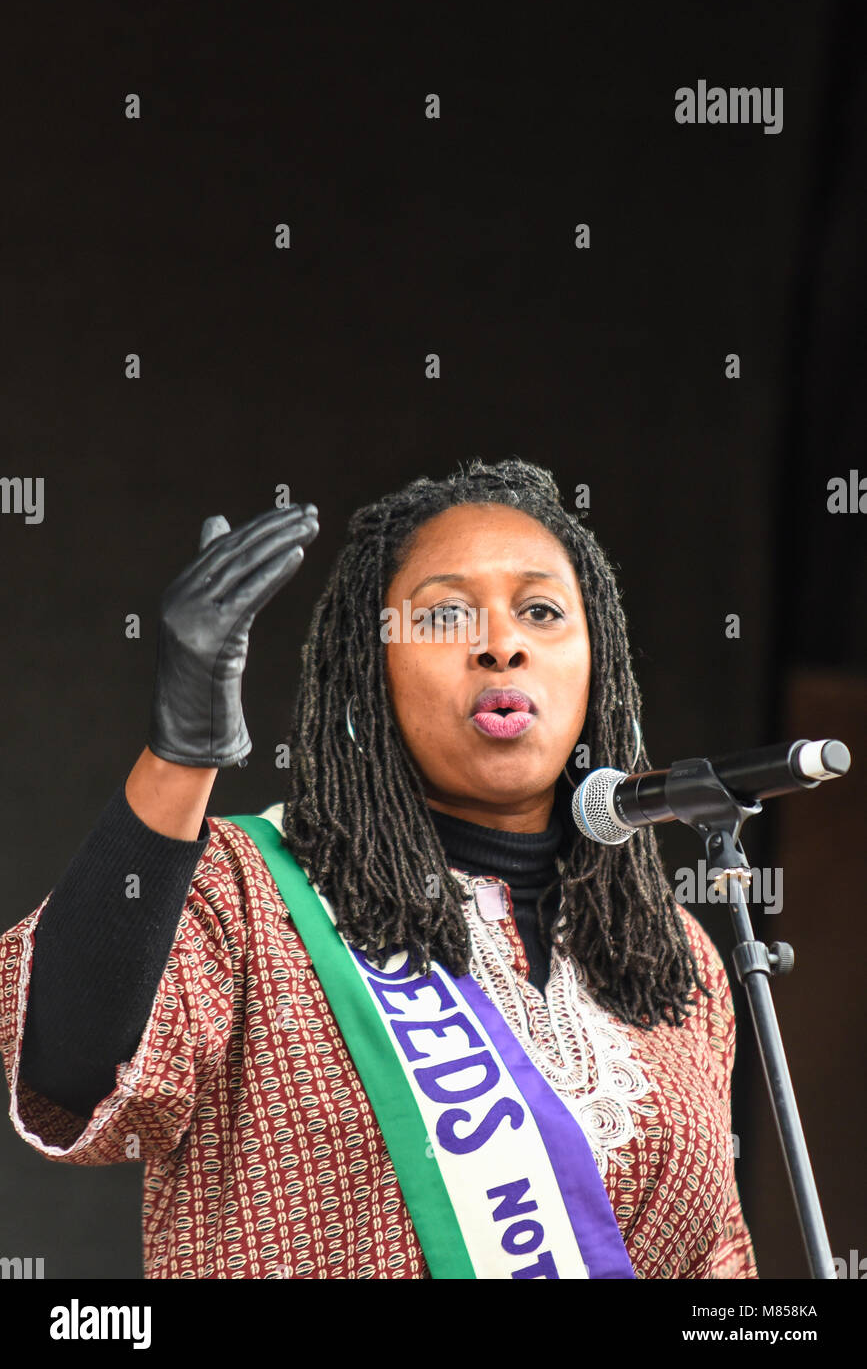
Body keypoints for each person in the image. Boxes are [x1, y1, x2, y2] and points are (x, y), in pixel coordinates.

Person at [0, 457, 757, 1279]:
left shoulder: (669, 956)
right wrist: (182, 753)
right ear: (370, 674)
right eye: (443, 618)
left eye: (539, 611)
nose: (500, 645)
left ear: (597, 665)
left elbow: (716, 1266)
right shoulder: (247, 893)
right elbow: (70, 1069)